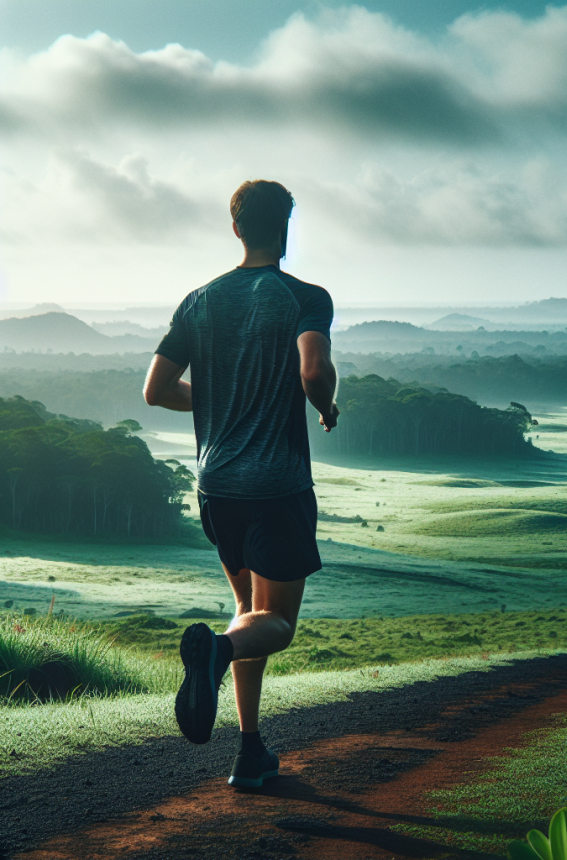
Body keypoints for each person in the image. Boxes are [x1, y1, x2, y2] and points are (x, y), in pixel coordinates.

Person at [143, 179, 338, 788]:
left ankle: (249, 750)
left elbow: (155, 389)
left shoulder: (198, 301)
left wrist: (219, 401)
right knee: (276, 623)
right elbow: (312, 369)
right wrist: (327, 407)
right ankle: (218, 654)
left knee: (247, 610)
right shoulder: (305, 296)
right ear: (286, 228)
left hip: (217, 485)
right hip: (276, 486)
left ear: (235, 229)